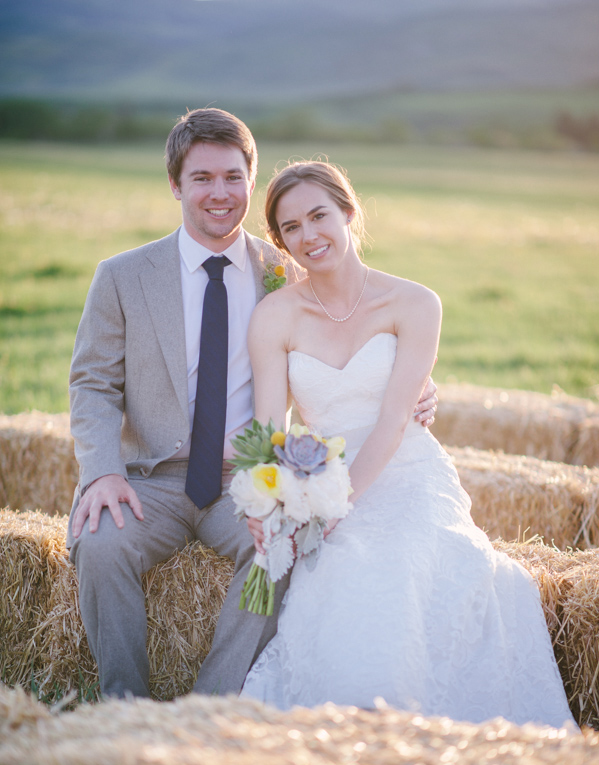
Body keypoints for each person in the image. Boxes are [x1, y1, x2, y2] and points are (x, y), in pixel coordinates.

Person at [67, 108, 438, 700]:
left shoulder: (286, 269)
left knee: (282, 552)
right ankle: (122, 704)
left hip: (245, 475)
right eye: (202, 178)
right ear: (175, 184)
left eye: (233, 178)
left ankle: (212, 706)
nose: (220, 193)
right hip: (151, 478)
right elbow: (91, 384)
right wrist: (104, 471)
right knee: (100, 544)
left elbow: (348, 334)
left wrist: (413, 386)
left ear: (250, 178)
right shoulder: (123, 276)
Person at [240, 160, 576, 730]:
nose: (308, 235)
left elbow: (396, 416)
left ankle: (408, 722)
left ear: (350, 213)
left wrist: (341, 502)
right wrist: (271, 498)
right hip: (321, 471)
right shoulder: (274, 316)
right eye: (291, 227)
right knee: (343, 563)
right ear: (280, 240)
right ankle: (353, 721)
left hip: (407, 468)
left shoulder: (415, 303)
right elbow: (268, 429)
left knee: (413, 555)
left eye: (320, 215)